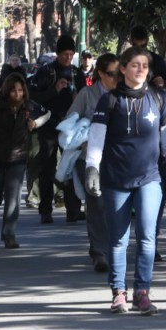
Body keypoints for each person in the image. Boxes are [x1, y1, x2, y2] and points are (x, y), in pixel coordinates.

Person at [85, 47, 166, 315]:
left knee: (147, 237)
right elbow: (96, 138)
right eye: (135, 65)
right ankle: (118, 293)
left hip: (150, 178)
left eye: (144, 66)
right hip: (115, 179)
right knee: (118, 239)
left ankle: (142, 292)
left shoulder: (158, 98)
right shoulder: (109, 100)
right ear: (123, 68)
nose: (140, 70)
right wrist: (92, 168)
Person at [0, 73, 49, 248]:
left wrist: (35, 123)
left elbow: (47, 113)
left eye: (20, 90)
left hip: (18, 158)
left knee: (13, 197)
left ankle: (9, 234)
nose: (17, 94)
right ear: (6, 91)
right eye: (13, 90)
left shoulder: (29, 106)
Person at [63, 52, 120, 272]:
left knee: (115, 206)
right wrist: (83, 133)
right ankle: (100, 253)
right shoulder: (87, 94)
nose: (116, 78)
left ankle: (113, 248)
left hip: (117, 158)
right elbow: (70, 120)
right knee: (96, 205)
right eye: (111, 73)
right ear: (100, 73)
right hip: (89, 157)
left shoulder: (124, 94)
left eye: (119, 73)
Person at [30, 34, 87, 225]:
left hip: (71, 126)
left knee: (71, 166)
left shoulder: (77, 73)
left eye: (71, 54)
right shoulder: (46, 71)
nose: (68, 58)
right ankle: (46, 209)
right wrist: (54, 90)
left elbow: (85, 98)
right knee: (47, 166)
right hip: (49, 124)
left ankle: (73, 209)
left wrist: (77, 98)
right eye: (65, 54)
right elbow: (34, 97)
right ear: (58, 54)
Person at [127, 25, 166, 90]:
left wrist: (163, 82)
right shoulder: (124, 60)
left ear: (147, 41)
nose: (140, 50)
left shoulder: (157, 60)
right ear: (131, 41)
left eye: (143, 46)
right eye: (136, 46)